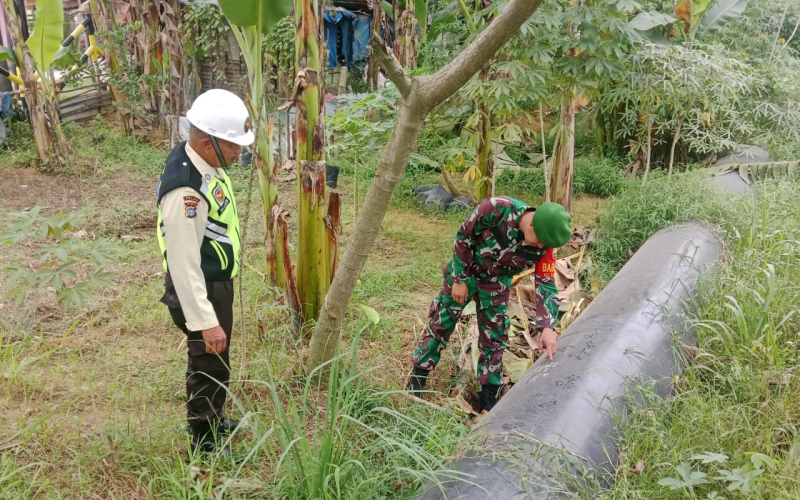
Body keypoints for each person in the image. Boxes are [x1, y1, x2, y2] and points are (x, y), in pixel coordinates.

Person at [155, 89, 254, 456]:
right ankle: (204, 439)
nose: (239, 151)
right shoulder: (187, 191)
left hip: (214, 283)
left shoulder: (202, 162)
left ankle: (213, 417)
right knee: (208, 359)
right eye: (232, 144)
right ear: (205, 141)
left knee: (216, 357)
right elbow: (183, 264)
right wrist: (205, 321)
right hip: (199, 289)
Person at [407, 197, 572, 411]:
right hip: (467, 271)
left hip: (496, 284)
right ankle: (417, 380)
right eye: (539, 241)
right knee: (441, 322)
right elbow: (463, 237)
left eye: (545, 245)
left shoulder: (546, 246)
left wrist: (547, 326)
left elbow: (545, 283)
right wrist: (459, 279)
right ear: (532, 224)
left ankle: (488, 398)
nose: (540, 247)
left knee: (495, 338)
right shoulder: (496, 209)